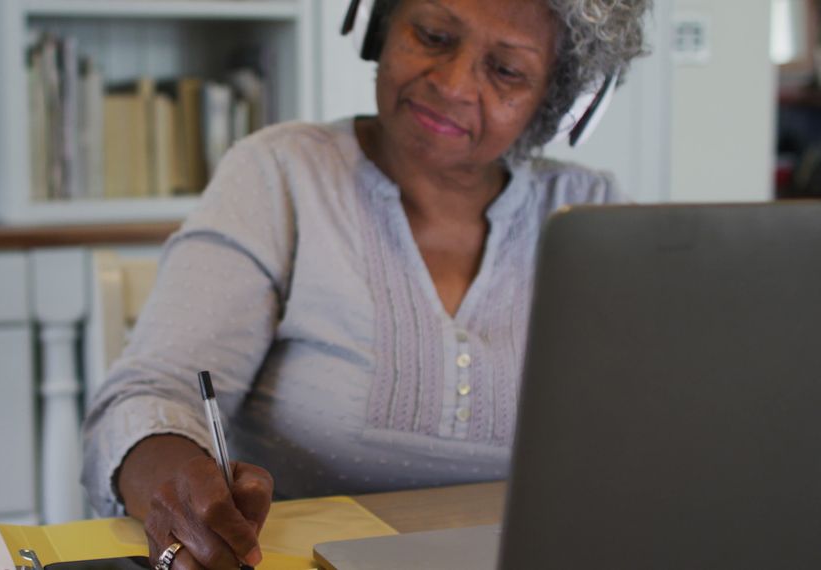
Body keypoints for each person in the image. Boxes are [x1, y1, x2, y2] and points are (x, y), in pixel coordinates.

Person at [82, 0, 650, 567]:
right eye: (432, 35)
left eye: (506, 70)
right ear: (380, 25)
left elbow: (662, 431)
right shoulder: (281, 174)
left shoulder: (591, 211)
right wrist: (179, 493)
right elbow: (150, 396)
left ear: (556, 99)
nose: (452, 84)